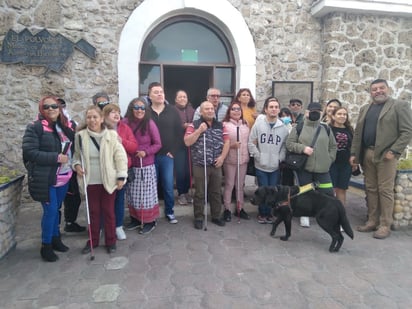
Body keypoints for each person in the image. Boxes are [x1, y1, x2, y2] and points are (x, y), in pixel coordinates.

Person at [350, 79, 412, 239]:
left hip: (386, 156)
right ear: (370, 92)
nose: (378, 91)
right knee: (370, 188)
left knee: (385, 190)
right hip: (367, 154)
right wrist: (354, 155)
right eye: (374, 89)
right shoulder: (365, 109)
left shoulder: (399, 106)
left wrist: (394, 151)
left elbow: (407, 131)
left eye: (381, 88)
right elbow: (358, 134)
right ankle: (372, 220)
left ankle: (385, 224)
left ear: (388, 89)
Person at [22, 96, 75, 262]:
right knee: (50, 211)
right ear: (41, 109)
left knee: (56, 209)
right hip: (46, 178)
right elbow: (30, 152)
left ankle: (55, 238)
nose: (51, 109)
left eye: (54, 106)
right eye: (47, 107)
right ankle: (46, 245)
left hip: (64, 176)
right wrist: (56, 158)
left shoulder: (63, 126)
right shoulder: (35, 127)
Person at [72, 105, 128, 254]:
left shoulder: (111, 135)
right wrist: (77, 166)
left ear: (102, 119)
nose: (92, 120)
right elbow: (76, 156)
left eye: (95, 117)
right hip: (90, 180)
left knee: (109, 211)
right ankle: (93, 240)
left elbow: (120, 157)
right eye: (89, 117)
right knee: (93, 212)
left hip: (108, 180)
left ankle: (111, 241)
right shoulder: (80, 136)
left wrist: (121, 176)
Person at [286, 102, 337, 227]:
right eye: (312, 111)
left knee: (327, 192)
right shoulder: (299, 127)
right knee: (305, 191)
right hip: (305, 167)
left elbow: (333, 146)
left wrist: (329, 159)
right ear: (307, 112)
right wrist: (302, 148)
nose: (315, 114)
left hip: (323, 168)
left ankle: (327, 214)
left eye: (318, 112)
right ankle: (305, 214)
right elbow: (289, 143)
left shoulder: (326, 128)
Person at [184, 101, 230, 229]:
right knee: (200, 192)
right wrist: (199, 131)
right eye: (207, 109)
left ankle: (216, 215)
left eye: (212, 108)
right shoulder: (194, 125)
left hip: (216, 164)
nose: (210, 111)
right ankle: (199, 217)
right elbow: (187, 142)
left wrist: (222, 158)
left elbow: (227, 142)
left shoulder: (220, 125)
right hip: (200, 164)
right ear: (201, 112)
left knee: (216, 191)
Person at [123, 97, 162, 234]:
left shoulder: (149, 123)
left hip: (145, 165)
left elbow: (158, 144)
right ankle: (135, 219)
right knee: (132, 194)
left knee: (146, 195)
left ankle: (149, 221)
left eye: (142, 108)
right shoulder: (125, 123)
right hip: (131, 164)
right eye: (136, 107)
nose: (139, 110)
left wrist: (145, 152)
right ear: (131, 109)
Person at [248, 97, 289, 223]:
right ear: (266, 109)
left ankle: (270, 213)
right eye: (271, 107)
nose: (274, 109)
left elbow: (284, 145)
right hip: (261, 165)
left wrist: (280, 158)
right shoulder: (259, 125)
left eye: (276, 107)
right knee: (263, 189)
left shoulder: (283, 127)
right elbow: (251, 143)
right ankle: (262, 213)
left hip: (275, 166)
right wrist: (258, 156)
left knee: (273, 191)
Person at [147, 82, 182, 224]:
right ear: (149, 96)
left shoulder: (173, 111)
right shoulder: (145, 112)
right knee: (151, 186)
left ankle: (170, 211)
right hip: (151, 155)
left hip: (167, 156)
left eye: (161, 91)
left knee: (168, 185)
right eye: (156, 92)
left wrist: (173, 152)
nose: (160, 94)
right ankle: (152, 214)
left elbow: (179, 133)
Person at [103, 103, 138, 240]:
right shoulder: (100, 129)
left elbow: (134, 147)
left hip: (122, 170)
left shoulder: (124, 128)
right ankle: (104, 226)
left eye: (118, 111)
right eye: (112, 112)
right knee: (105, 200)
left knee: (119, 199)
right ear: (105, 115)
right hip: (106, 170)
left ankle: (118, 226)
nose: (117, 114)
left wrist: (122, 141)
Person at [56, 98, 86, 233]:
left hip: (71, 166)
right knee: (55, 203)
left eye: (62, 105)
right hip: (56, 169)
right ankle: (54, 231)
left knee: (73, 197)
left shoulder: (72, 124)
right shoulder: (46, 126)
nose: (60, 108)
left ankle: (70, 222)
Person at [222, 101, 251, 222]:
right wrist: (232, 145)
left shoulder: (245, 124)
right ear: (229, 111)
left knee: (240, 185)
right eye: (233, 109)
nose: (236, 111)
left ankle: (240, 207)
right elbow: (221, 143)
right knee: (229, 185)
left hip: (243, 159)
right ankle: (227, 209)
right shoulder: (225, 125)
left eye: (238, 109)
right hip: (230, 159)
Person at [329, 106, 355, 206]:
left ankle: (341, 214)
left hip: (345, 165)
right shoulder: (328, 129)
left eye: (344, 114)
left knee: (342, 189)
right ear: (333, 116)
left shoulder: (349, 130)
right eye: (339, 114)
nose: (342, 116)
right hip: (332, 164)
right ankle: (330, 213)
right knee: (331, 189)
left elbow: (353, 147)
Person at [173, 90, 195, 205]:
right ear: (176, 99)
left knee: (188, 169)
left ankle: (187, 192)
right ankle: (181, 193)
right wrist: (183, 126)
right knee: (180, 169)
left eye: (184, 97)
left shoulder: (192, 110)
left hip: (190, 143)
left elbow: (196, 122)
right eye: (180, 97)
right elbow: (171, 125)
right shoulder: (172, 110)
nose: (182, 99)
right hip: (178, 144)